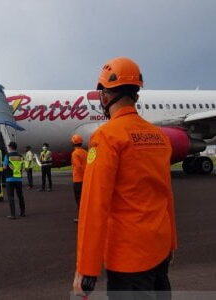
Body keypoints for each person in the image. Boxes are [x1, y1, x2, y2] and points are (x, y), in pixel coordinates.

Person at [73, 57, 177, 300]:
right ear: (136, 95)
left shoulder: (106, 137)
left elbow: (93, 206)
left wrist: (86, 269)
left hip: (128, 258)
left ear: (105, 97)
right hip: (159, 248)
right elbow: (166, 195)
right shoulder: (159, 136)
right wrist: (172, 242)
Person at [3, 141, 25, 219]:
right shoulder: (21, 156)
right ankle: (22, 212)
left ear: (10, 147)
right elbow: (23, 167)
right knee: (20, 196)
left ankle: (13, 214)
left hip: (10, 179)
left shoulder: (7, 156)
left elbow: (5, 167)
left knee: (11, 197)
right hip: (18, 178)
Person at [70, 134, 87, 223]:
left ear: (73, 143)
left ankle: (82, 217)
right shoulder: (85, 152)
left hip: (78, 179)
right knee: (85, 199)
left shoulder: (75, 153)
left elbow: (78, 166)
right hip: (85, 179)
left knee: (79, 200)